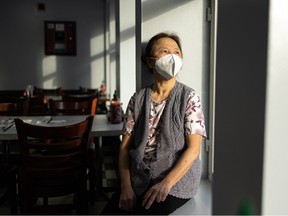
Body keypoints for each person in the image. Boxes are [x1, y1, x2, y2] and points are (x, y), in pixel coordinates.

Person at [101, 32, 207, 215]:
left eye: (177, 52)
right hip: (139, 179)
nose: (172, 56)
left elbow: (194, 149)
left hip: (176, 182)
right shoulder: (138, 99)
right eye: (165, 51)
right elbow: (125, 148)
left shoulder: (189, 97)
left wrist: (165, 184)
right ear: (150, 62)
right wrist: (125, 186)